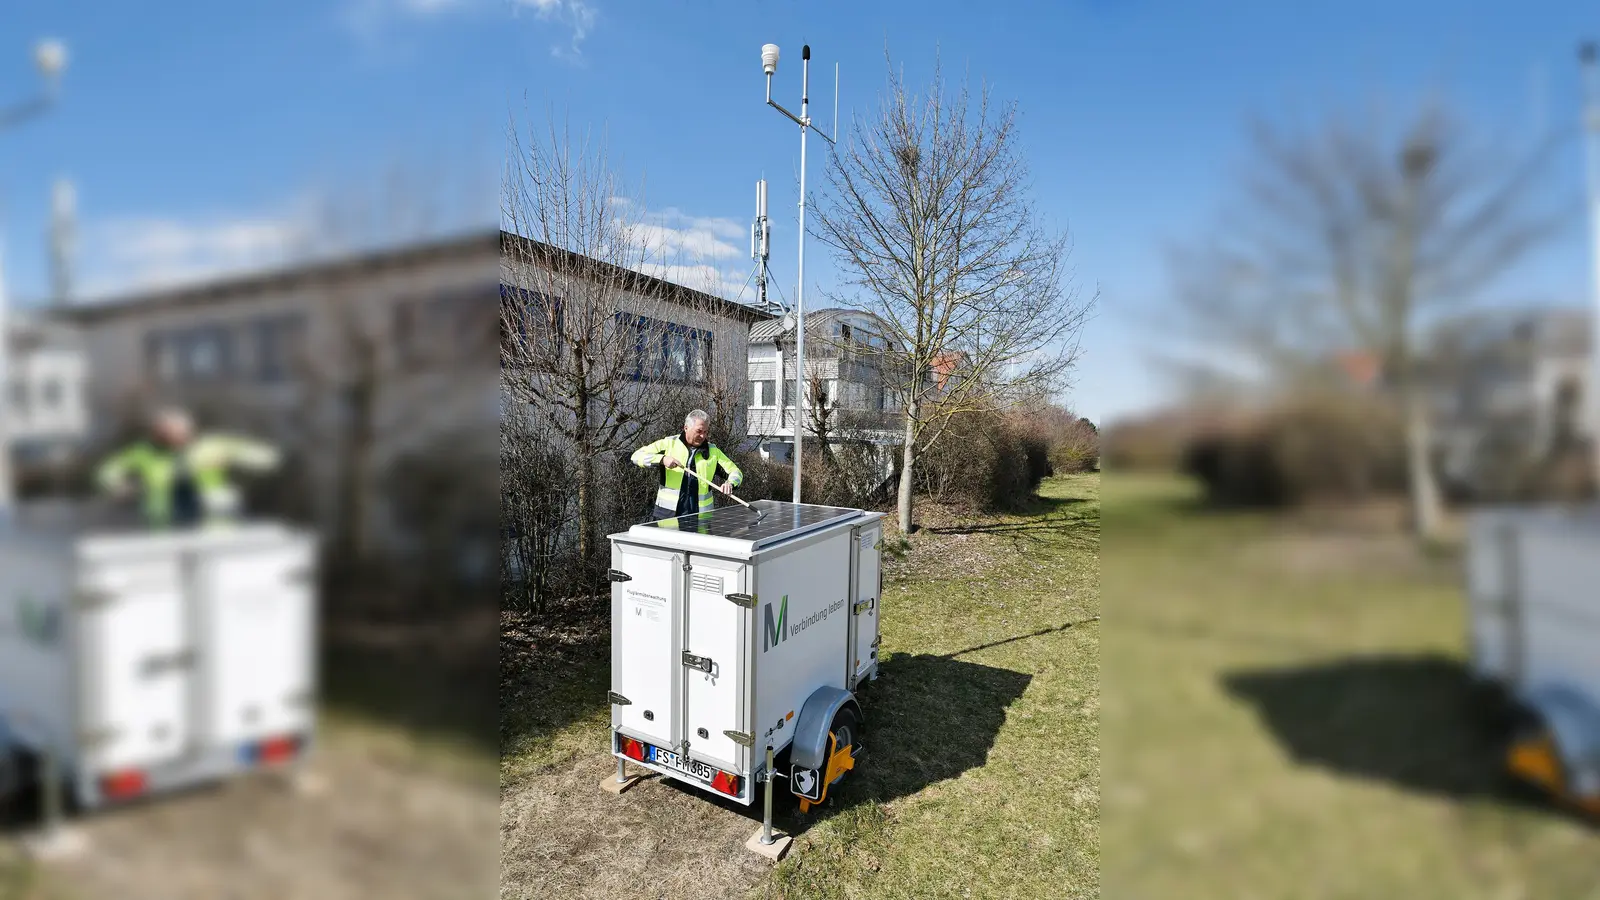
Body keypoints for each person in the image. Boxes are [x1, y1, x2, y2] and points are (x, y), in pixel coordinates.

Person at [95, 407, 282, 528]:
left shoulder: (211, 447)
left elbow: (264, 457)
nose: (173, 437)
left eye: (178, 431)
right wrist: (118, 486)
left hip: (214, 518)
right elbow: (108, 470)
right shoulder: (145, 453)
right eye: (166, 432)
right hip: (162, 521)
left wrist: (231, 459)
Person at [630, 409, 744, 521]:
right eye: (699, 431)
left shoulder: (713, 452)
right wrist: (662, 459)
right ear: (686, 428)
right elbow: (636, 456)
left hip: (702, 517)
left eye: (705, 432)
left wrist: (730, 483)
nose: (702, 436)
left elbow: (736, 472)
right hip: (666, 515)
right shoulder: (669, 444)